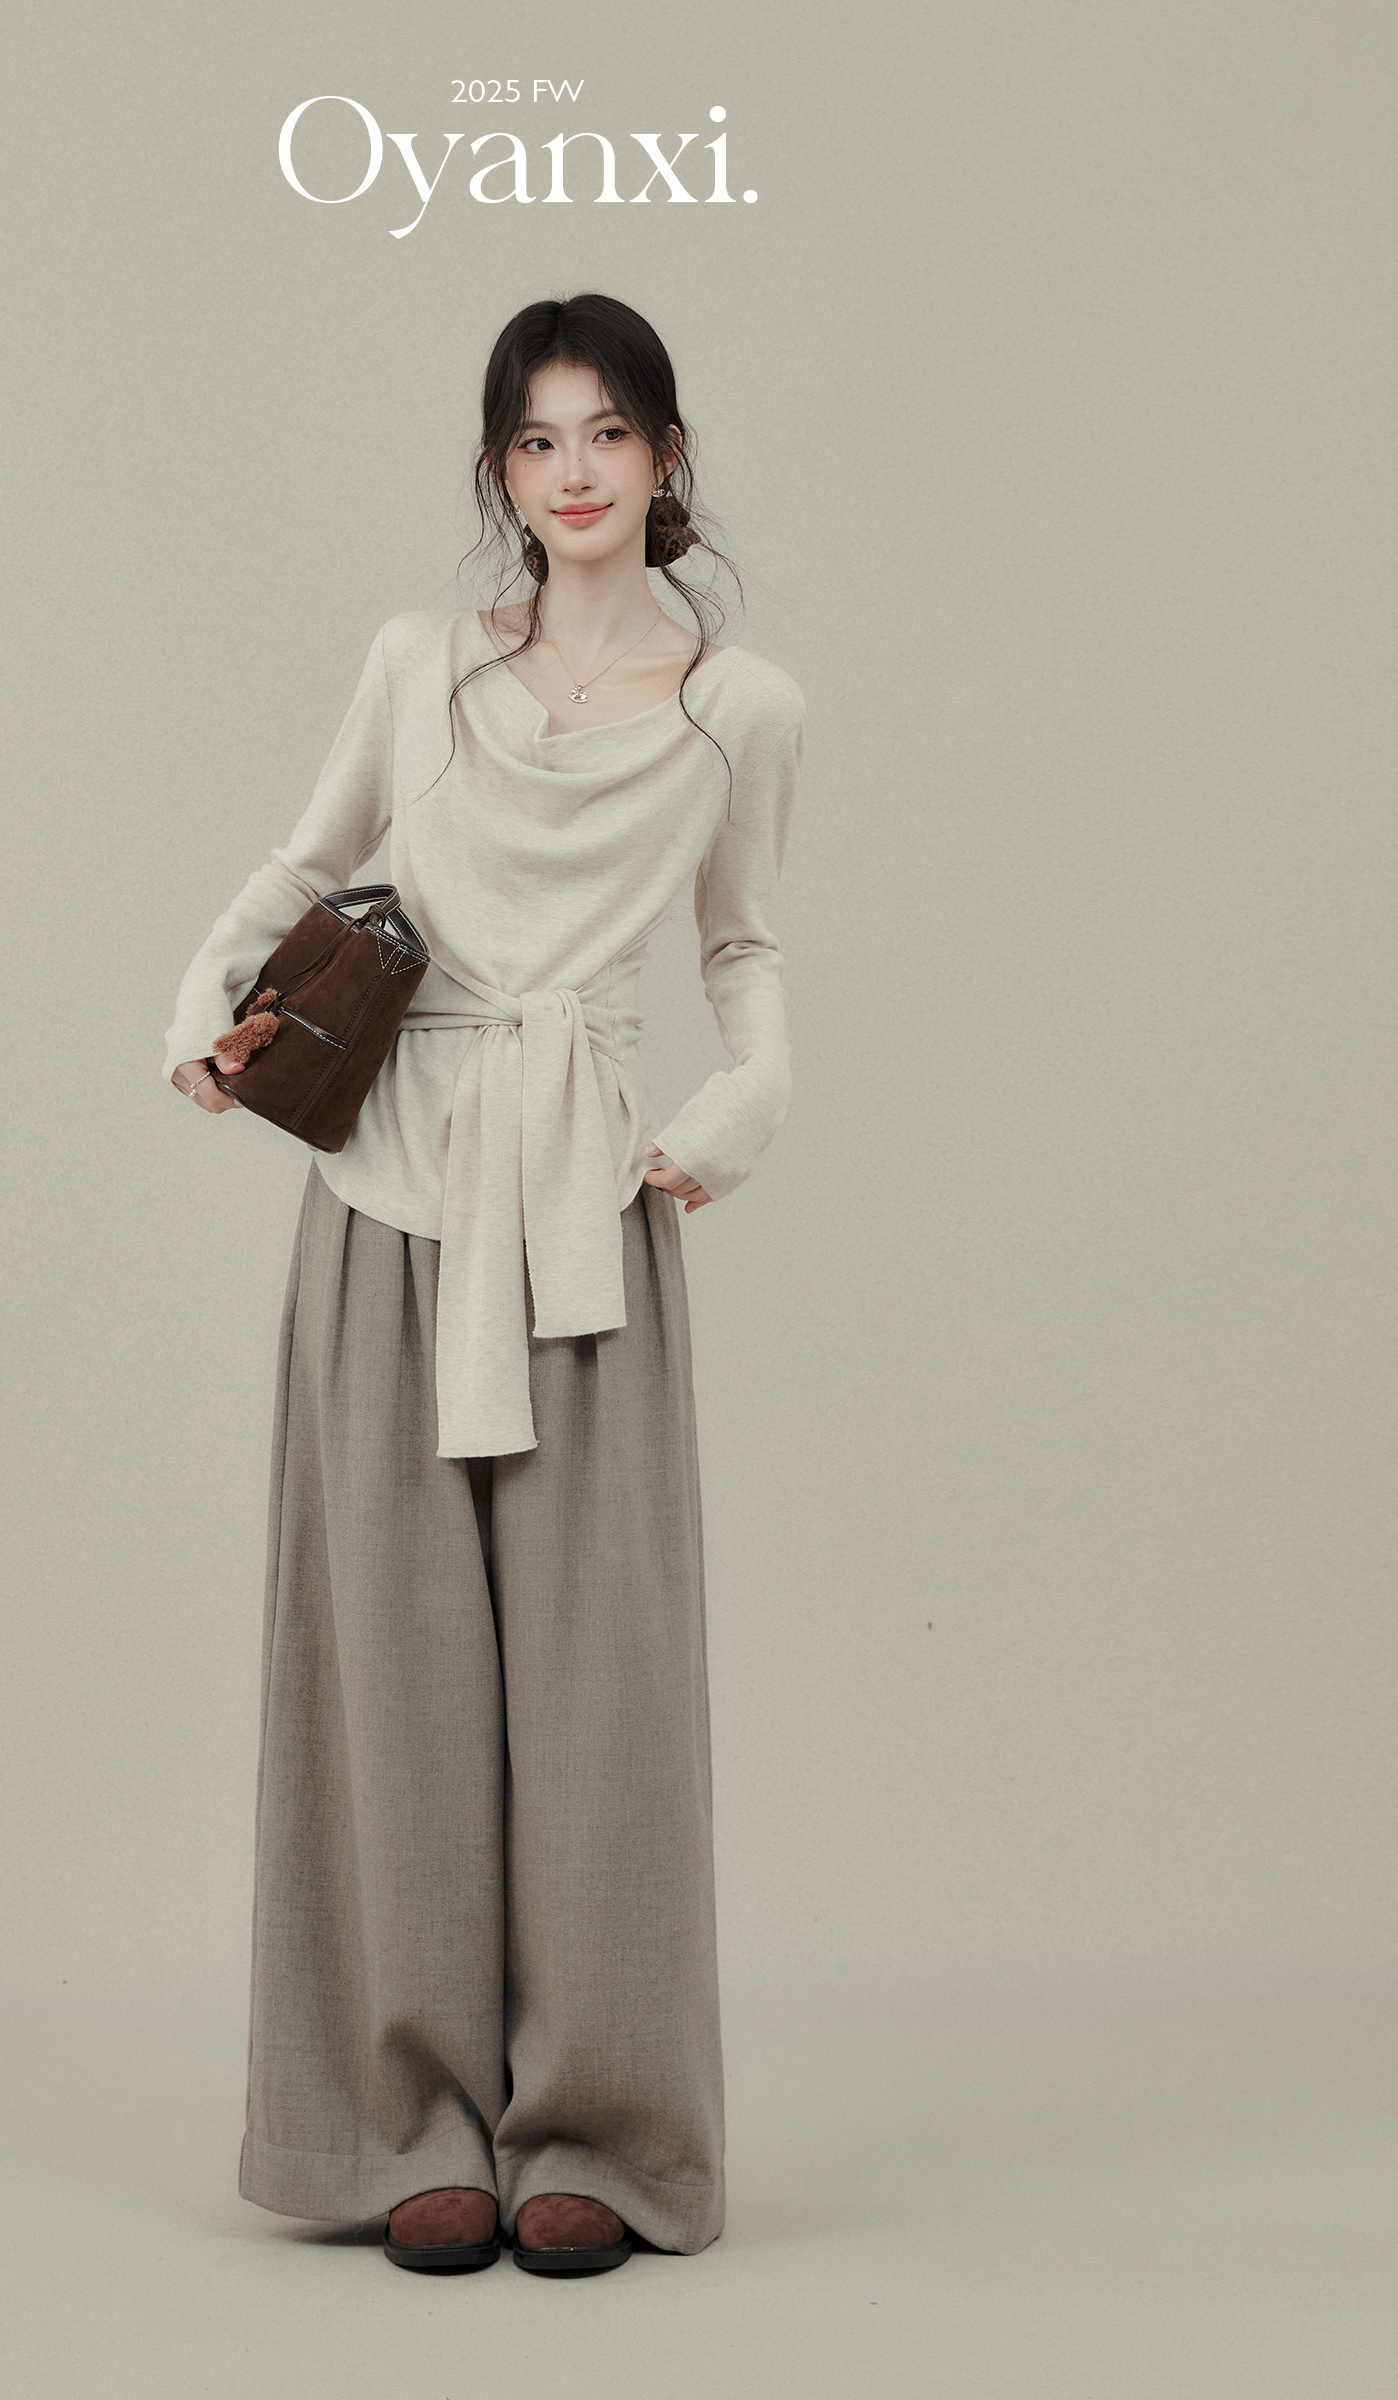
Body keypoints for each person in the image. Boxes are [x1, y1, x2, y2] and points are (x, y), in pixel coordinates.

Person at [163, 292, 805, 2277]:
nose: (575, 469)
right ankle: (405, 2125)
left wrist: (737, 1112)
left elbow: (745, 949)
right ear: (500, 473)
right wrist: (199, 1009)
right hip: (393, 1191)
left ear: (667, 456)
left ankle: (600, 2132)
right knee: (390, 1667)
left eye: (608, 432)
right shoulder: (420, 664)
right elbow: (306, 862)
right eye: (537, 439)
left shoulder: (742, 708)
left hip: (587, 1208)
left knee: (606, 1686)